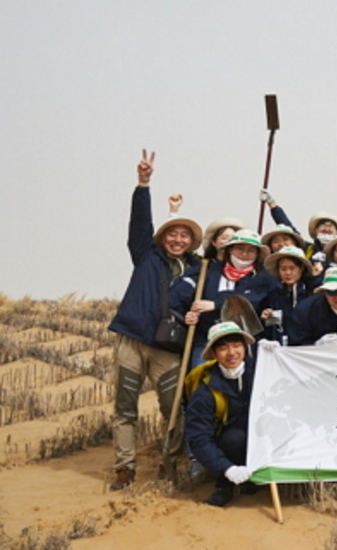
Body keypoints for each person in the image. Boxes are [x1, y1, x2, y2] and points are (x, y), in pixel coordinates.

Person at [108, 150, 202, 490]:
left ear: (192, 242)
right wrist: (143, 184)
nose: (178, 239)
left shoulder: (199, 269)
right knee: (125, 407)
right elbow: (140, 223)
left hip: (169, 348)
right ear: (162, 238)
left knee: (173, 408)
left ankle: (168, 463)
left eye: (184, 236)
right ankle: (125, 468)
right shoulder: (146, 255)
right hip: (132, 339)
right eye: (172, 234)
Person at [171, 229, 276, 369]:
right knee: (201, 379)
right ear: (230, 249)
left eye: (251, 251)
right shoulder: (207, 269)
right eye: (240, 249)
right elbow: (179, 297)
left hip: (243, 346)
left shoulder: (262, 277)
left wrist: (216, 304)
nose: (244, 254)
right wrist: (187, 315)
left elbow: (250, 300)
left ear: (257, 254)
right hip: (206, 341)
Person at [184, 321, 257, 507]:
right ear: (214, 354)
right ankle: (224, 485)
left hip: (260, 437)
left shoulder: (261, 372)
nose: (231, 353)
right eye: (223, 348)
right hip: (229, 444)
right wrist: (227, 468)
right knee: (234, 439)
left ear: (245, 348)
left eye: (236, 345)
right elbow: (199, 438)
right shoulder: (205, 392)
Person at [260, 246, 315, 345]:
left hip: (306, 348)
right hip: (280, 349)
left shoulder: (310, 294)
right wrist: (266, 318)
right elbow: (270, 329)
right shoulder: (273, 295)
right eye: (283, 269)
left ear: (301, 268)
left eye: (292, 268)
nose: (288, 273)